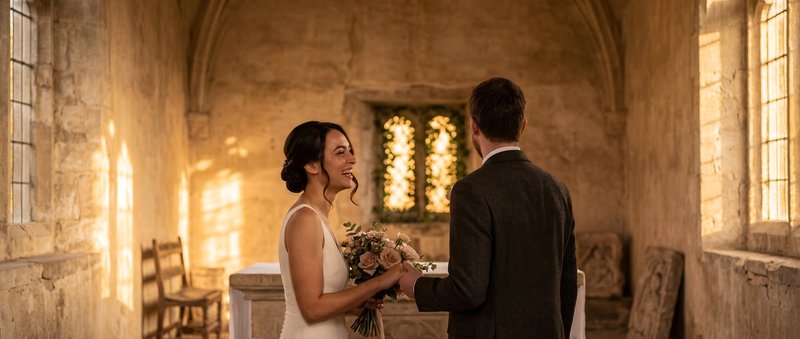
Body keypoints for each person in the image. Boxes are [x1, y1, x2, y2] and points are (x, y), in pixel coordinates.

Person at [398, 78, 578, 338]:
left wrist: (416, 285)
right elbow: (568, 284)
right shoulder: (557, 189)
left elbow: (468, 290)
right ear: (523, 125)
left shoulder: (470, 190)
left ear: (474, 125)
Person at [279, 121, 407, 339]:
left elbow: (321, 300)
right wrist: (380, 281)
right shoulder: (305, 219)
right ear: (311, 165)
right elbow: (311, 309)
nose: (352, 159)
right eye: (340, 152)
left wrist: (357, 303)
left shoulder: (318, 217)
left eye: (350, 150)